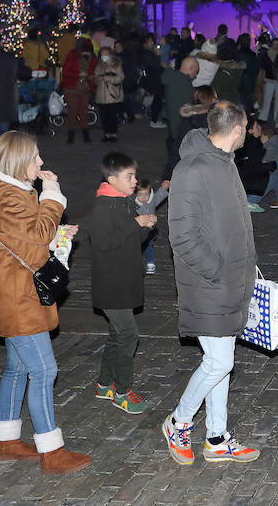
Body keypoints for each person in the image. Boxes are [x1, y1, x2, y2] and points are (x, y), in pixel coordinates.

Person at [0, 130, 91, 474]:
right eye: (35, 157)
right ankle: (51, 451)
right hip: (17, 297)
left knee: (19, 368)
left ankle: (7, 441)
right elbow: (38, 233)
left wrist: (56, 233)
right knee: (44, 370)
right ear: (16, 162)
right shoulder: (8, 197)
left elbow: (28, 239)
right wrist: (53, 196)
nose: (41, 163)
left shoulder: (10, 191)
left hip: (15, 291)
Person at [163, 100, 261, 465]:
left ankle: (217, 438)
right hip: (210, 283)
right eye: (246, 128)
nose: (247, 134)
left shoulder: (224, 163)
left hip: (231, 281)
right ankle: (179, 421)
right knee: (218, 362)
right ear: (237, 129)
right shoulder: (193, 168)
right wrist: (217, 271)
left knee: (223, 360)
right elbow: (183, 235)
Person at [89, 151, 158, 413]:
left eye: (134, 175)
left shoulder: (124, 201)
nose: (134, 180)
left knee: (117, 335)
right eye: (129, 176)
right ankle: (122, 391)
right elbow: (104, 243)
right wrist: (135, 225)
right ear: (112, 178)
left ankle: (104, 384)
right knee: (128, 335)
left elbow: (130, 243)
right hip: (111, 283)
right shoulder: (103, 206)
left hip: (124, 278)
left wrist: (144, 228)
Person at [60, 40, 97, 144]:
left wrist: (90, 77)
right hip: (72, 89)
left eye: (88, 52)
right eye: (85, 52)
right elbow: (66, 72)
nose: (86, 54)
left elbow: (94, 73)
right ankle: (71, 136)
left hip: (85, 89)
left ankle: (86, 135)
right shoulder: (72, 57)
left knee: (84, 112)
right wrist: (78, 74)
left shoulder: (93, 60)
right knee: (73, 112)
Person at [136, 178, 169, 276]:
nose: (143, 198)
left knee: (148, 246)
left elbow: (159, 196)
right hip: (137, 231)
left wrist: (164, 188)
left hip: (150, 231)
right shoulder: (134, 204)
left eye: (146, 195)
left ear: (150, 194)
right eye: (140, 195)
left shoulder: (152, 201)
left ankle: (151, 262)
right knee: (136, 247)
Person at [94, 46, 125, 143]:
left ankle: (113, 134)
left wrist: (107, 78)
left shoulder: (116, 65)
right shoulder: (99, 65)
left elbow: (120, 78)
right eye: (102, 55)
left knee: (112, 116)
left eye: (106, 54)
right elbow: (95, 78)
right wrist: (97, 79)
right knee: (104, 116)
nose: (104, 57)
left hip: (113, 95)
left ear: (110, 54)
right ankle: (107, 134)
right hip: (101, 96)